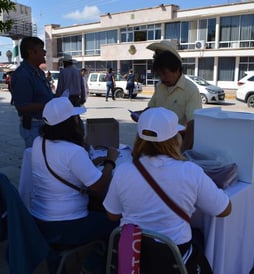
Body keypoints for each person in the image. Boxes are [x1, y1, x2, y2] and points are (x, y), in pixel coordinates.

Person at [103, 107, 232, 274]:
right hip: (173, 258)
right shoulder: (190, 171)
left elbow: (112, 214)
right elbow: (224, 210)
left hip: (133, 256)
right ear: (174, 139)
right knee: (200, 236)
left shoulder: (123, 170)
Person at [30, 97, 119, 273]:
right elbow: (99, 186)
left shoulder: (38, 142)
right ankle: (98, 266)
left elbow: (63, 170)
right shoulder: (73, 151)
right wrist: (110, 161)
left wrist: (90, 163)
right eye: (76, 118)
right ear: (69, 123)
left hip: (39, 219)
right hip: (65, 226)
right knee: (117, 223)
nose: (79, 121)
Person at [130, 40, 202, 151]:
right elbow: (152, 108)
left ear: (176, 69)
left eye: (164, 73)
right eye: (159, 74)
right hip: (156, 142)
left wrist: (183, 152)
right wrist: (141, 114)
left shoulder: (190, 90)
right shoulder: (160, 86)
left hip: (176, 144)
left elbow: (193, 125)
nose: (162, 78)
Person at [11, 36, 54, 148]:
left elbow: (43, 95)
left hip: (44, 124)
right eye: (41, 49)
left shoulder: (39, 72)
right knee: (37, 161)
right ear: (31, 52)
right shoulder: (22, 75)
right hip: (34, 126)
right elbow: (22, 106)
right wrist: (49, 104)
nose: (44, 52)